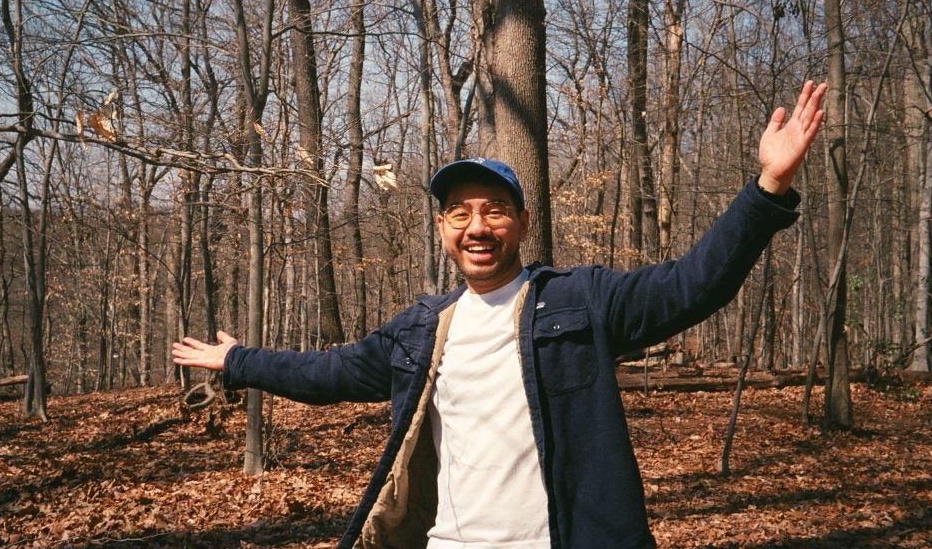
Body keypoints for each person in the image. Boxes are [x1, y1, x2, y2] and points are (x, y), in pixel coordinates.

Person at [172, 80, 827, 549]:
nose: (477, 226)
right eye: (460, 213)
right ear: (441, 228)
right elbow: (329, 373)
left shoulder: (582, 302)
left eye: (494, 210)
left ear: (521, 223)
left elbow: (694, 286)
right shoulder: (417, 334)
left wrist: (768, 187)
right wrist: (237, 361)